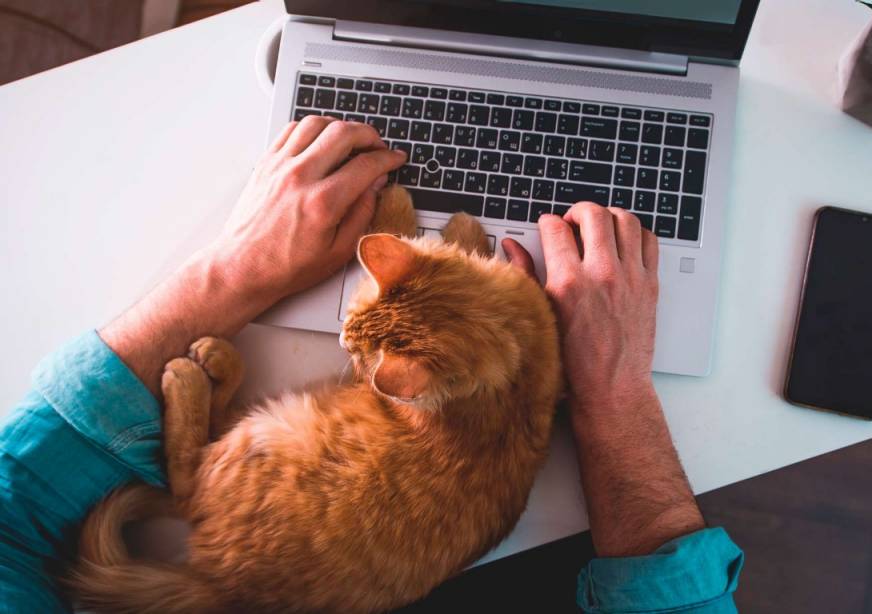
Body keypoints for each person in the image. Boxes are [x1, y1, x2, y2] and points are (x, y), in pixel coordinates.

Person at [0, 117, 743, 613]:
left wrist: (232, 274)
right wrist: (615, 397)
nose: (359, 358)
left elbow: (15, 506)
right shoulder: (458, 370)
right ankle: (195, 478)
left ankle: (193, 473)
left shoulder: (425, 369)